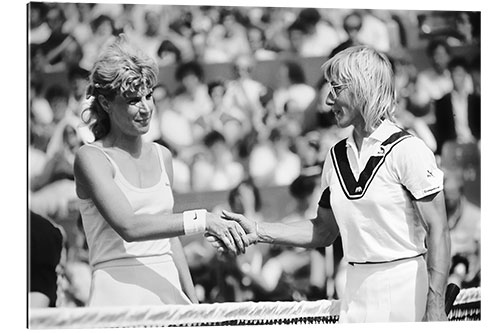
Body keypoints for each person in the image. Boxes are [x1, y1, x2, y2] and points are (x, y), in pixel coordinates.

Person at [212, 46, 450, 322]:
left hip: (409, 292)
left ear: (362, 89)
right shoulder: (335, 156)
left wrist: (435, 305)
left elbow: (439, 230)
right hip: (354, 294)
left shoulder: (409, 150)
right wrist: (257, 230)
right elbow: (323, 230)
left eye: (336, 89)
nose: (328, 100)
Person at [73, 34, 248, 307]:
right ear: (106, 104)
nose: (145, 108)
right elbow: (129, 226)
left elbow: (170, 240)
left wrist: (193, 304)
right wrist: (202, 219)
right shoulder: (90, 157)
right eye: (132, 100)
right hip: (118, 298)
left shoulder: (163, 155)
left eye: (149, 96)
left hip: (169, 298)